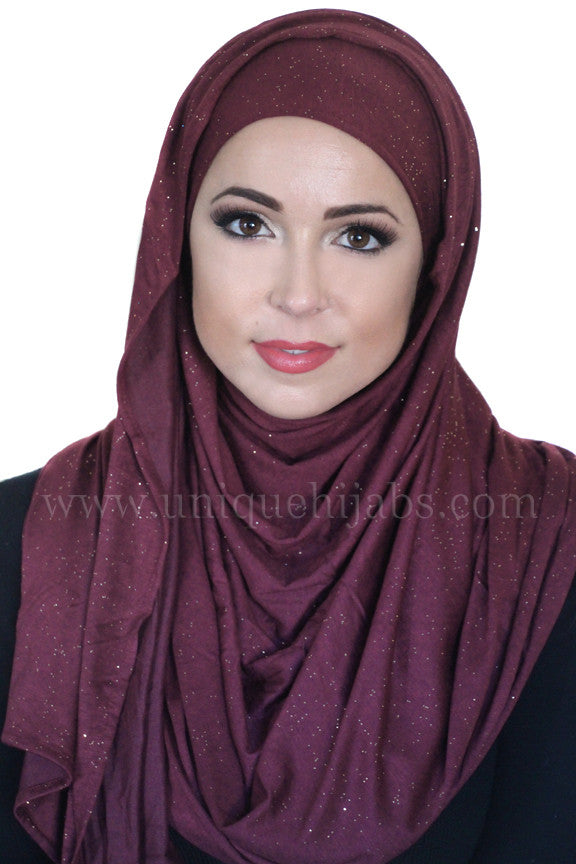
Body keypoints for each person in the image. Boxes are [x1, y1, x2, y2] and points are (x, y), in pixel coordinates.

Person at [1, 8, 575, 863]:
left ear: (434, 267)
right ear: (175, 239)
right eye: (247, 224)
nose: (299, 293)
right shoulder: (31, 542)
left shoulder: (545, 547)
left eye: (359, 236)